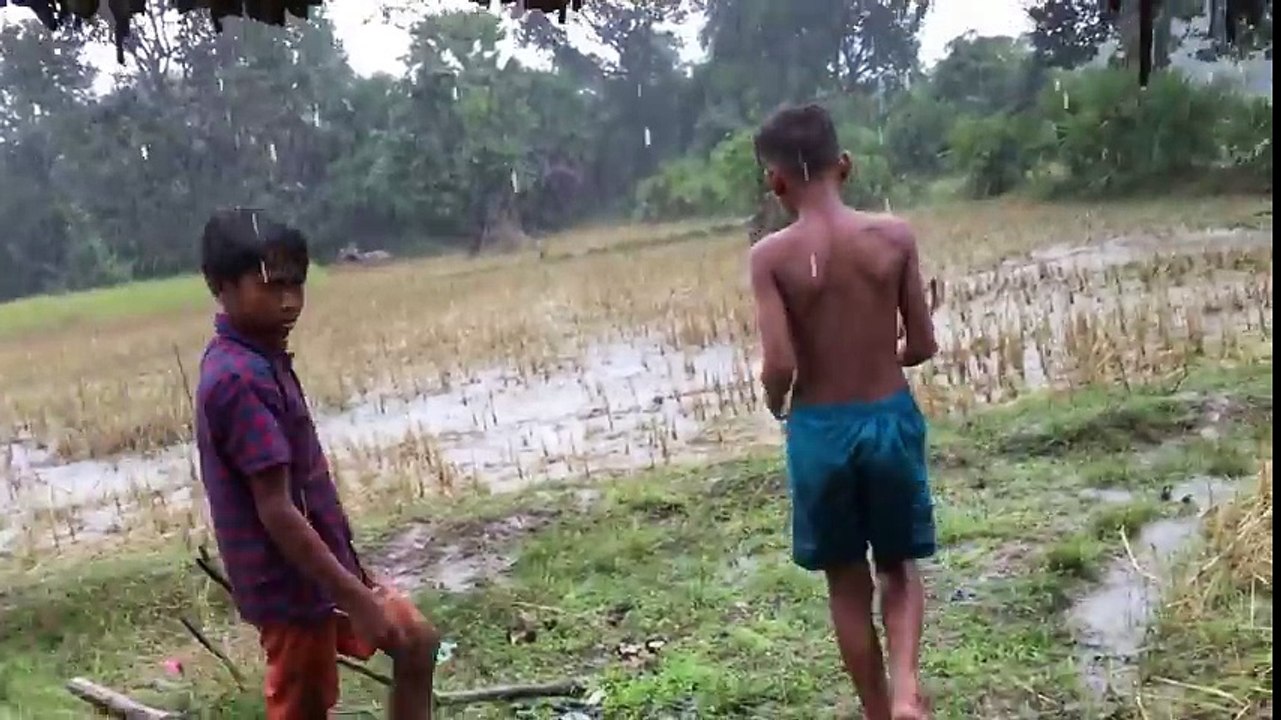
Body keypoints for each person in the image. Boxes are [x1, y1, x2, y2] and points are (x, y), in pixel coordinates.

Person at [195, 208, 440, 720]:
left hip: (325, 571)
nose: (289, 301)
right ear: (221, 286)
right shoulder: (238, 379)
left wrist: (354, 575)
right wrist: (355, 597)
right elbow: (277, 510)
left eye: (296, 286)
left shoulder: (266, 360)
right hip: (289, 589)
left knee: (416, 641)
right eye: (271, 287)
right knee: (305, 706)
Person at [747, 105, 939, 720]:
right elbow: (924, 344)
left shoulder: (770, 257)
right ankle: (908, 692)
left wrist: (778, 403)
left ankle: (878, 713)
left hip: (820, 431)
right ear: (846, 165)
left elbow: (778, 363)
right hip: (888, 416)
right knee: (898, 567)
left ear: (775, 182)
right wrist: (891, 352)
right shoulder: (895, 237)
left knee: (845, 581)